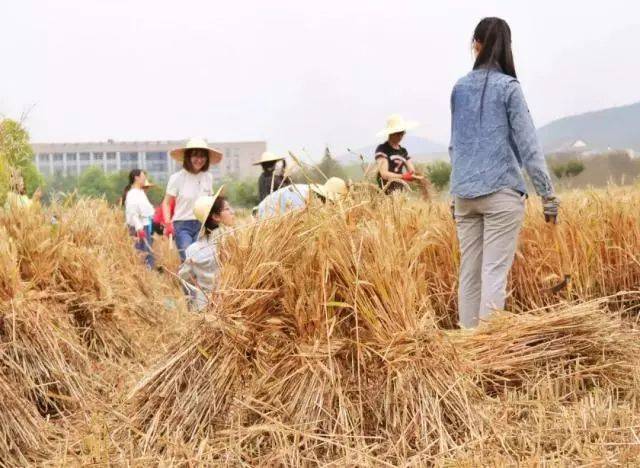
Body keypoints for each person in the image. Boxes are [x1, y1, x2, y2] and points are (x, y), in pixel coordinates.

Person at [449, 17, 560, 329]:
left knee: (469, 274)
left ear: (476, 45)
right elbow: (529, 147)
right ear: (507, 48)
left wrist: (452, 195)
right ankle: (489, 354)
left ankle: (468, 351)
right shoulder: (509, 88)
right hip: (501, 194)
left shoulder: (459, 88)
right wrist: (548, 196)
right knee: (493, 274)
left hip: (464, 196)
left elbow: (455, 145)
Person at [162, 137, 223, 261]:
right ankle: (186, 279)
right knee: (189, 259)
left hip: (202, 224)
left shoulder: (208, 177)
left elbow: (210, 201)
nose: (199, 160)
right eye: (195, 156)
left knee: (202, 260)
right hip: (182, 224)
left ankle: (196, 280)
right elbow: (166, 203)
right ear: (188, 157)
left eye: (203, 156)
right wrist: (168, 223)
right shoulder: (177, 178)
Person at [178, 187, 235, 312]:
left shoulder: (193, 250)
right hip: (232, 304)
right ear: (215, 216)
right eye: (227, 209)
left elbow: (185, 277)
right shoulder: (234, 241)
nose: (232, 212)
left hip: (203, 307)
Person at [256, 177, 348, 219]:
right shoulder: (299, 198)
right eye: (332, 203)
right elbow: (296, 224)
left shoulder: (308, 195)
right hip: (262, 215)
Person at [375, 114, 421, 194]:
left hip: (399, 194)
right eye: (398, 133)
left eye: (402, 133)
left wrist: (416, 176)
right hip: (384, 193)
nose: (400, 136)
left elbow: (411, 170)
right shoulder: (382, 149)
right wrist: (403, 176)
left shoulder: (403, 151)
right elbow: (384, 174)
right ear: (391, 133)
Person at [124, 169, 155, 268]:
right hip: (138, 228)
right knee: (141, 253)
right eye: (143, 176)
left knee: (147, 252)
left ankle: (148, 274)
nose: (145, 178)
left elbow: (148, 210)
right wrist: (138, 227)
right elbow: (132, 213)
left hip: (144, 225)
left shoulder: (140, 192)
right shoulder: (132, 194)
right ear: (136, 178)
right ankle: (143, 274)